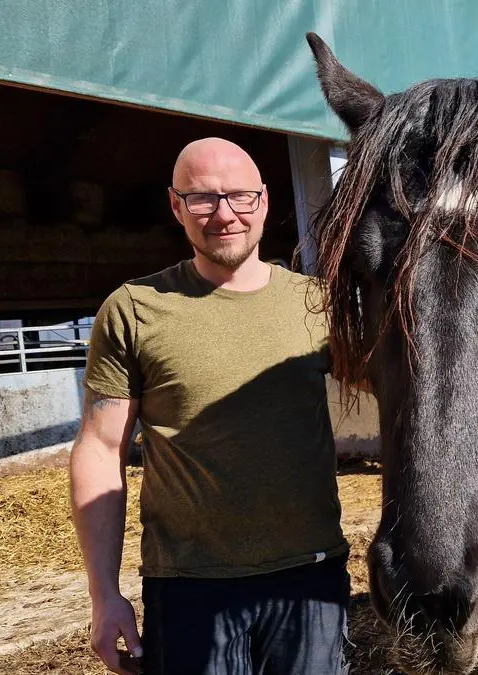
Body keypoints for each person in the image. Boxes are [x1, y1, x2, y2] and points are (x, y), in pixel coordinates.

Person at [70, 137, 350, 675]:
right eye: (202, 199)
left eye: (240, 197)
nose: (225, 215)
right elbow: (102, 448)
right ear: (176, 206)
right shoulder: (135, 309)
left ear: (264, 201)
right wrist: (103, 595)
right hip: (189, 586)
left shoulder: (319, 304)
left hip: (310, 577)